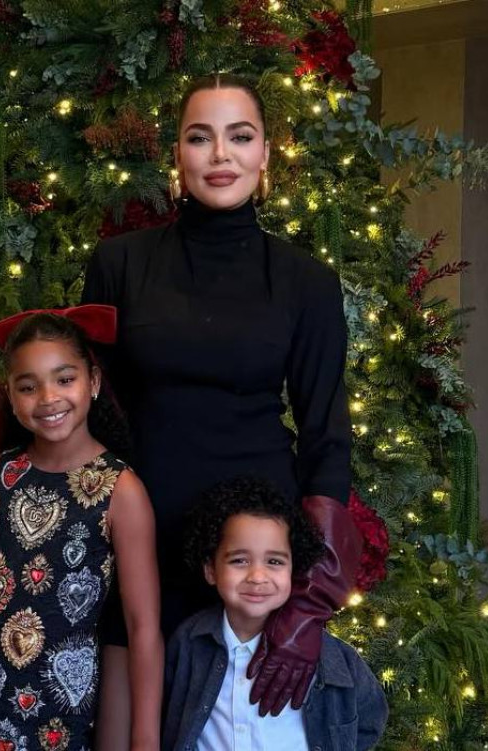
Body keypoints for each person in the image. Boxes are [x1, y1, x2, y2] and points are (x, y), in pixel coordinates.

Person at [82, 73, 363, 742]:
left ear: (266, 153)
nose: (220, 155)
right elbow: (93, 413)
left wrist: (312, 601)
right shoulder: (119, 264)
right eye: (199, 137)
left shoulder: (307, 282)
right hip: (140, 537)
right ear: (176, 154)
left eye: (240, 137)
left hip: (253, 552)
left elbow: (326, 435)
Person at [0, 306, 163, 751]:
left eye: (64, 379)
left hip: (56, 718)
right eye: (28, 387)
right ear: (10, 395)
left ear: (93, 382)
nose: (48, 398)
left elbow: (143, 626)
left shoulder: (121, 491)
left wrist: (145, 739)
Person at [163, 476, 387, 751]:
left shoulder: (332, 657)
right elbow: (171, 717)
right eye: (239, 560)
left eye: (274, 561)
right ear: (211, 569)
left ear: (294, 569)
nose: (257, 576)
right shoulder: (189, 642)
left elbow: (370, 719)